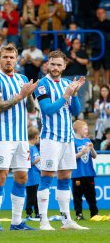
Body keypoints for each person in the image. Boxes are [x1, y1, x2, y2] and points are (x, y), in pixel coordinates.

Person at [0, 43, 38, 231]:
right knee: (0, 176)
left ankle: (16, 222)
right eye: (5, 57)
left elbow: (31, 109)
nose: (8, 60)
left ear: (17, 59)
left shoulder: (22, 78)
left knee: (22, 177)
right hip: (3, 138)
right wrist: (20, 95)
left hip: (22, 138)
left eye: (11, 57)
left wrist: (29, 95)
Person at [35, 50, 88, 231]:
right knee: (47, 177)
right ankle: (43, 221)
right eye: (53, 64)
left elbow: (76, 112)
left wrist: (73, 94)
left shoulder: (66, 83)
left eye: (59, 64)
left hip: (67, 138)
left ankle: (66, 220)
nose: (56, 67)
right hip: (51, 138)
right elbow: (48, 110)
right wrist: (66, 95)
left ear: (64, 66)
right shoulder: (43, 84)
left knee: (65, 178)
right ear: (47, 65)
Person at [71, 120, 98, 220]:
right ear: (78, 130)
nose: (87, 130)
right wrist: (81, 153)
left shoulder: (88, 141)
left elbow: (94, 156)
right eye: (85, 128)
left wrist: (92, 149)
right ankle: (79, 214)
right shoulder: (72, 142)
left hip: (89, 173)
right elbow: (71, 157)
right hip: (77, 174)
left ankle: (94, 214)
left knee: (91, 195)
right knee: (77, 197)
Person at [25, 127, 41, 220]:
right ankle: (29, 213)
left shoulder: (34, 147)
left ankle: (38, 213)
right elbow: (29, 162)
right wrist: (39, 158)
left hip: (37, 175)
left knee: (37, 196)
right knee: (31, 196)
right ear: (35, 137)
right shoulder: (28, 148)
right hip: (30, 177)